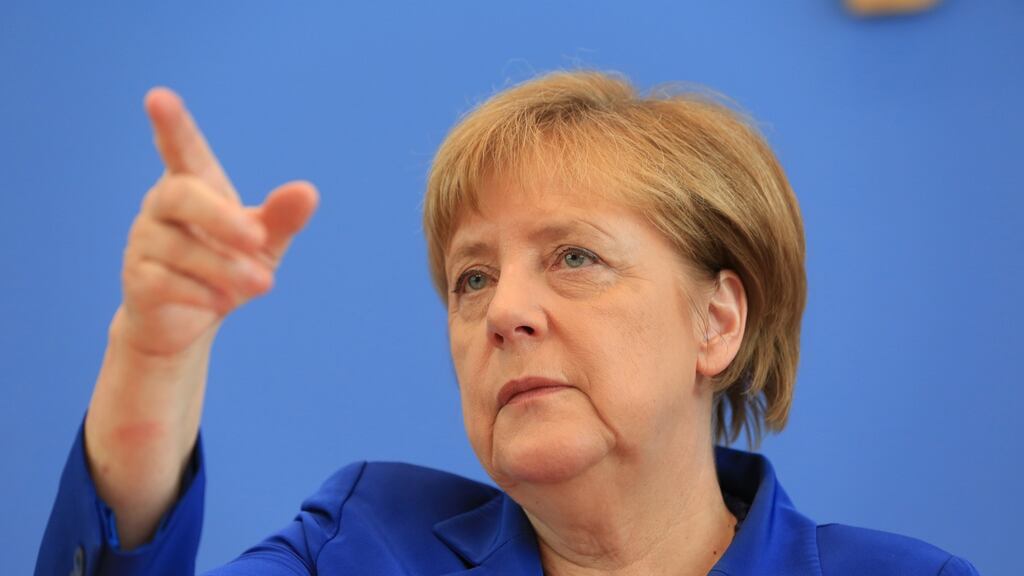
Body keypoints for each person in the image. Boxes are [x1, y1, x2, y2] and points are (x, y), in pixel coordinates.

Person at [36, 70, 979, 576]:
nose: (505, 312)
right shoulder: (364, 543)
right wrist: (156, 351)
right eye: (472, 278)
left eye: (575, 257)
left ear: (717, 322)